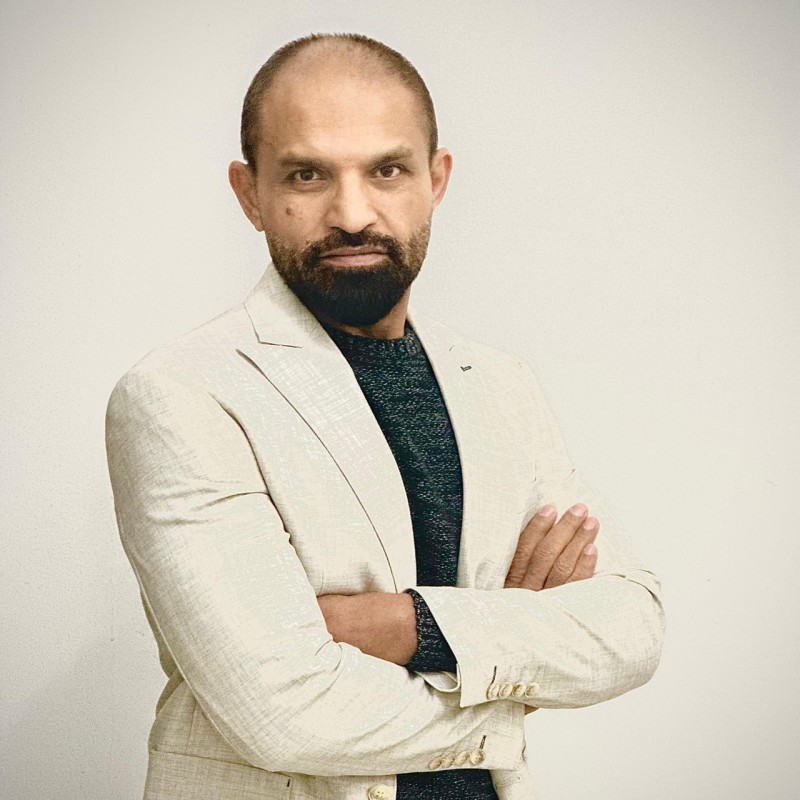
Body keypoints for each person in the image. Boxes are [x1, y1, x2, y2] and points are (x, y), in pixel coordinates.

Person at [106, 33, 664, 800]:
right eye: (307, 174)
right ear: (250, 193)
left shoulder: (500, 386)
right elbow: (284, 710)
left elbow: (633, 626)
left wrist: (404, 624)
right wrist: (509, 676)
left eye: (387, 170)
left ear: (436, 180)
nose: (351, 213)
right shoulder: (182, 394)